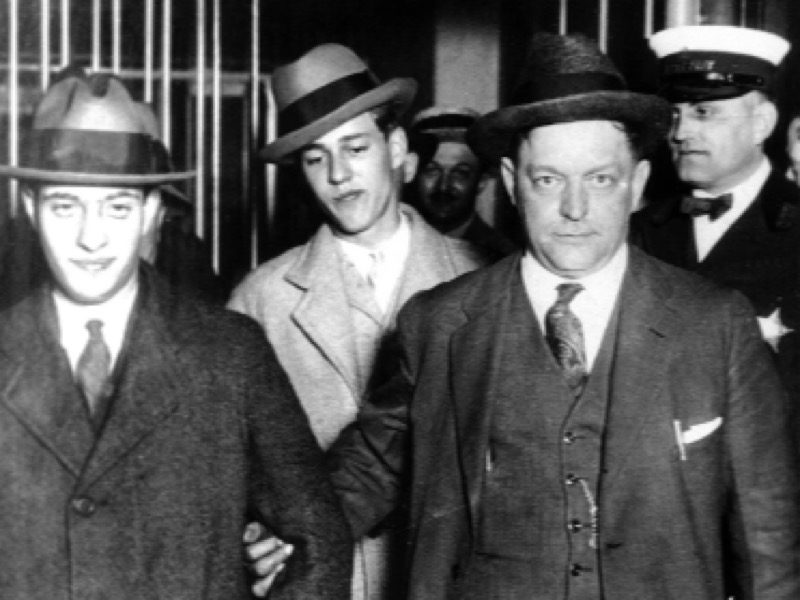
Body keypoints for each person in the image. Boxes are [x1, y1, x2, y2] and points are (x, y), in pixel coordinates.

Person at [251, 32, 800, 598]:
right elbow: (371, 465)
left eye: (600, 179)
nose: (575, 208)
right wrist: (297, 535)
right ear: (513, 184)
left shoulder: (714, 323)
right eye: (548, 179)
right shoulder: (441, 324)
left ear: (636, 184)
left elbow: (768, 542)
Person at [0, 66, 352, 599]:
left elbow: (319, 543)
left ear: (152, 211)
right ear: (29, 206)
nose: (91, 237)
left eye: (117, 207)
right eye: (65, 206)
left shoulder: (230, 353)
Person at [228, 44, 488, 599]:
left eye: (355, 147)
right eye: (315, 158)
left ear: (395, 147)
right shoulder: (260, 299)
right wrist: (252, 534)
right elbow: (227, 466)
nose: (338, 175)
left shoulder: (483, 278)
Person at [631, 25, 800, 403]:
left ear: (761, 123)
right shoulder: (638, 232)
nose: (680, 133)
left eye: (703, 112)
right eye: (674, 115)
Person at [409, 105, 516, 261]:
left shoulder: (501, 258)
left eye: (460, 173)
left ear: (481, 181)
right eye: (432, 170)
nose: (443, 185)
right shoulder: (395, 244)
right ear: (414, 173)